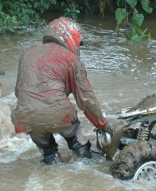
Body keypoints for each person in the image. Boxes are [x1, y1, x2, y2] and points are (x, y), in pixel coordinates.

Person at [11, 17, 112, 165]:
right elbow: (87, 100)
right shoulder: (71, 59)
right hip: (59, 114)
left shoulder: (27, 53)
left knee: (49, 157)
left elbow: (18, 91)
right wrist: (103, 125)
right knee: (81, 148)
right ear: (71, 37)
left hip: (25, 117)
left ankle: (50, 161)